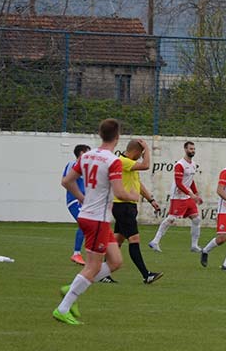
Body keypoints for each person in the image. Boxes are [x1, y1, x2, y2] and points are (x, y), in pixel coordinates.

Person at [54, 119, 140, 326]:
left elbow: (66, 181)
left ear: (100, 134)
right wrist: (133, 195)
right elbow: (119, 192)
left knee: (116, 262)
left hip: (92, 217)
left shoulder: (87, 156)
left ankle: (73, 287)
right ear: (117, 137)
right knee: (92, 267)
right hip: (96, 220)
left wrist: (82, 198)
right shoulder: (113, 161)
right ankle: (63, 307)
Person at [112, 138, 161, 284]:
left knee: (117, 241)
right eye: (141, 153)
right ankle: (146, 275)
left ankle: (101, 273)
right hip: (124, 206)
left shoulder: (129, 164)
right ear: (136, 151)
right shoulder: (122, 161)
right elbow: (146, 165)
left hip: (127, 207)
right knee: (134, 239)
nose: (141, 156)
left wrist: (151, 200)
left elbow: (138, 184)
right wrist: (147, 148)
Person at [150, 141, 202, 253]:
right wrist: (191, 194)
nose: (192, 151)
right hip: (178, 196)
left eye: (193, 149)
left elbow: (191, 181)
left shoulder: (193, 164)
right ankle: (155, 241)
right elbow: (179, 183)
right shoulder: (180, 165)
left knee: (196, 219)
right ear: (185, 149)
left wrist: (196, 194)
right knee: (171, 219)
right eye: (190, 149)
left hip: (188, 196)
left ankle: (194, 245)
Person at [63, 143, 90, 264]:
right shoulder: (73, 165)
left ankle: (81, 253)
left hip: (84, 202)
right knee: (85, 223)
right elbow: (66, 181)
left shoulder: (86, 168)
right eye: (87, 153)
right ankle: (77, 253)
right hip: (75, 201)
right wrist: (78, 196)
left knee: (87, 225)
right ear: (81, 154)